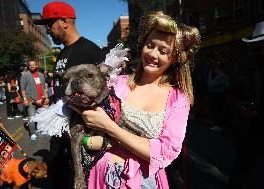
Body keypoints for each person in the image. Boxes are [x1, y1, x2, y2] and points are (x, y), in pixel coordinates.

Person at [71, 11, 200, 188]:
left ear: (175, 59)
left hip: (142, 182)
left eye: (163, 51)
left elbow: (166, 151)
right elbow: (78, 120)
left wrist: (110, 128)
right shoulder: (117, 83)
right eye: (150, 45)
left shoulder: (178, 99)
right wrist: (87, 141)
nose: (153, 54)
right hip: (99, 175)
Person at [34, 1, 106, 188]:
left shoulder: (90, 51)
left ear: (64, 21)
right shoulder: (62, 53)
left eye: (49, 24)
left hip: (81, 132)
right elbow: (61, 91)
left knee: (79, 178)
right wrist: (48, 100)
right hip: (60, 132)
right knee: (57, 173)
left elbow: (107, 93)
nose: (48, 30)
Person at [227, 21, 263, 189]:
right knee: (242, 165)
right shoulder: (242, 67)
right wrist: (239, 107)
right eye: (258, 46)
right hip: (246, 129)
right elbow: (230, 93)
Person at [20, 59, 48, 141]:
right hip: (31, 100)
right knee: (31, 118)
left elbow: (44, 87)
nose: (31, 66)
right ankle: (32, 133)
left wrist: (45, 97)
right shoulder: (25, 75)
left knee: (42, 116)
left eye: (33, 65)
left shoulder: (41, 75)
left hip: (41, 100)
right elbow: (22, 89)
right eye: (30, 65)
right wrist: (24, 99)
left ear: (36, 65)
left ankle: (41, 129)